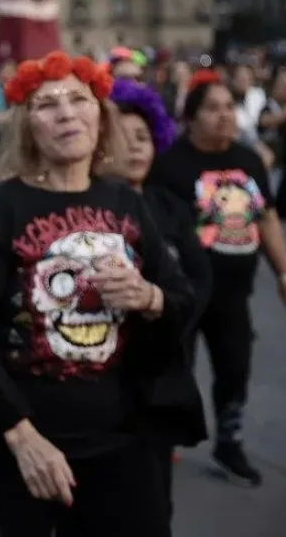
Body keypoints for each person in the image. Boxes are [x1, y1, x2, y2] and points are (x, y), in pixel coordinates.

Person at [0, 51, 196, 537]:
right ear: (27, 126)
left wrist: (147, 297)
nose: (66, 113)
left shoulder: (127, 200)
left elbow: (180, 296)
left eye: (78, 99)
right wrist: (21, 436)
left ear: (100, 113)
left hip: (123, 442)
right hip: (23, 445)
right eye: (48, 104)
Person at [149, 69, 286, 487]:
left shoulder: (248, 159)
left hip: (234, 294)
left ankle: (228, 442)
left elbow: (266, 217)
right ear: (191, 117)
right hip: (186, 295)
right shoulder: (171, 165)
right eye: (212, 109)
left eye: (229, 108)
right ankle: (166, 438)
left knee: (235, 368)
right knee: (178, 366)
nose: (224, 116)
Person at [110, 77, 210, 515]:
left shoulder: (169, 206)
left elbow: (197, 283)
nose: (136, 147)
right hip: (102, 381)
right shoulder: (94, 204)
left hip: (160, 369)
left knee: (150, 505)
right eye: (124, 137)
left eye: (144, 137)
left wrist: (159, 305)